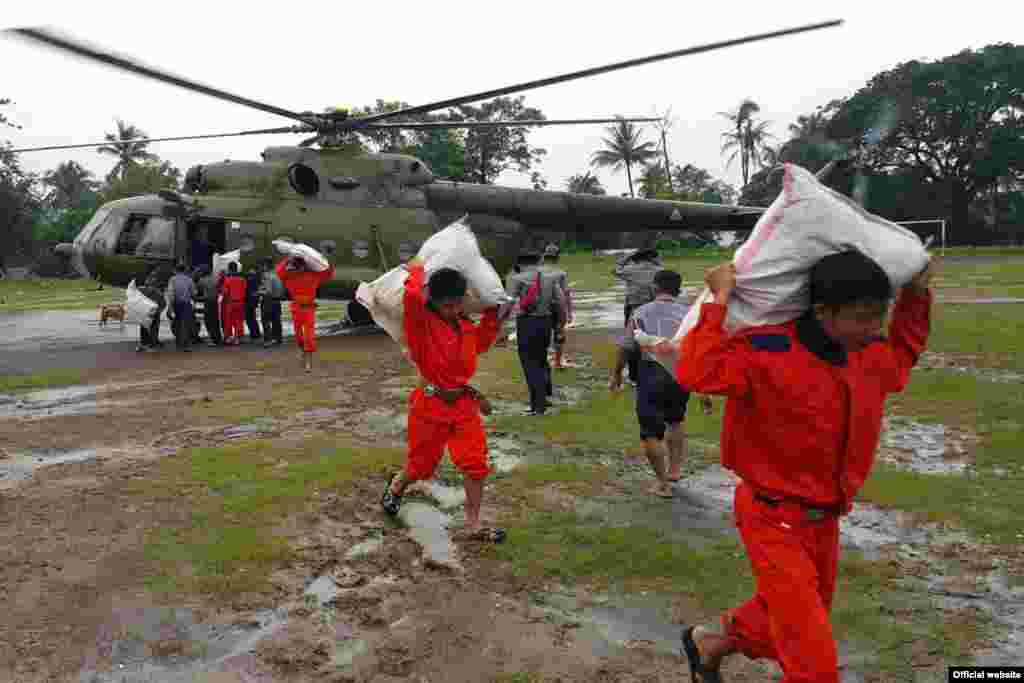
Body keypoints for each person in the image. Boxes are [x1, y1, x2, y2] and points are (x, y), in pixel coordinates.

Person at [668, 251, 935, 683]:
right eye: (863, 317)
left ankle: (710, 642)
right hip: (771, 518)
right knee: (813, 662)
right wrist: (718, 300)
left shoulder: (869, 356)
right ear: (823, 311)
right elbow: (698, 372)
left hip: (825, 521)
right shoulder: (767, 351)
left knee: (785, 621)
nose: (874, 328)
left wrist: (917, 296)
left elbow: (904, 351)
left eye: (879, 317)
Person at [380, 258, 504, 543]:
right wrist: (417, 268)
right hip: (429, 405)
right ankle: (397, 485)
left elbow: (483, 342)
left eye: (457, 303)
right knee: (421, 467)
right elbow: (412, 296)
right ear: (432, 301)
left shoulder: (466, 327)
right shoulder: (420, 326)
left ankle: (473, 524)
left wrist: (494, 313)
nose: (453, 309)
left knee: (475, 464)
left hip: (463, 406)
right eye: (445, 305)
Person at [610, 269, 705, 498]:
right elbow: (698, 348)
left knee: (650, 431)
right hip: (680, 372)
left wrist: (617, 373)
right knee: (676, 419)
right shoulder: (689, 314)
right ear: (678, 289)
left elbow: (626, 346)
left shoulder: (640, 312)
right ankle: (674, 470)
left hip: (651, 371)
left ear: (655, 287)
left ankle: (662, 484)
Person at [507, 251, 567, 416]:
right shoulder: (549, 278)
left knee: (529, 364)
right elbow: (561, 302)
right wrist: (560, 326)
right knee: (540, 361)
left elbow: (508, 303)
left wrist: (499, 325)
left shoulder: (518, 279)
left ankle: (538, 406)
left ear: (519, 264)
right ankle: (542, 399)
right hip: (545, 322)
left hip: (527, 323)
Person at [276, 254, 336, 372]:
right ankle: (303, 354)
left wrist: (326, 259)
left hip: (309, 309)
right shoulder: (290, 276)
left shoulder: (312, 275)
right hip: (296, 308)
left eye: (298, 266)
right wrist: (288, 259)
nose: (297, 268)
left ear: (304, 266)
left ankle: (308, 361)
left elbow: (329, 273)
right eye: (296, 266)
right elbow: (279, 271)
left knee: (309, 337)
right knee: (299, 337)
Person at [614, 248, 663, 384]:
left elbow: (615, 269)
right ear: (652, 258)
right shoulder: (659, 270)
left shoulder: (630, 270)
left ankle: (634, 376)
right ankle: (654, 372)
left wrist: (627, 258)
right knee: (653, 339)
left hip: (634, 308)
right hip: (654, 308)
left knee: (632, 342)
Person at [542, 253, 572, 370]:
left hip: (542, 308)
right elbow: (566, 293)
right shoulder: (561, 273)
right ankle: (557, 362)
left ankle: (543, 360)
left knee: (543, 335)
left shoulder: (538, 272)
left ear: (544, 257)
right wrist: (569, 312)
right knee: (559, 334)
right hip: (558, 308)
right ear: (557, 258)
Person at [136, 263, 174, 352]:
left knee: (145, 325)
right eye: (157, 269)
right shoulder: (152, 278)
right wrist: (159, 294)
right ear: (153, 269)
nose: (158, 270)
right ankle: (151, 344)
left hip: (146, 306)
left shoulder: (147, 278)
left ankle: (145, 343)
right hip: (152, 306)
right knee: (153, 326)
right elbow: (152, 291)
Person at [164, 263, 197, 352]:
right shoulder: (189, 280)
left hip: (176, 303)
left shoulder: (172, 279)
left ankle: (179, 341)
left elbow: (171, 293)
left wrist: (170, 306)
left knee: (177, 322)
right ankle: (185, 343)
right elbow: (194, 293)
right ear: (185, 270)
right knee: (185, 323)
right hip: (186, 303)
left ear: (176, 270)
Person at [258, 257, 285, 347]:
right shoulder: (278, 274)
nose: (262, 267)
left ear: (266, 265)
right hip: (277, 301)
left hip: (268, 301)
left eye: (263, 265)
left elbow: (268, 291)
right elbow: (282, 289)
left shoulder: (266, 275)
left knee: (265, 321)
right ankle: (278, 338)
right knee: (276, 320)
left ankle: (268, 339)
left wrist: (258, 292)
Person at [195, 265, 223, 346]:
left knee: (208, 321)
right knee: (216, 320)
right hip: (215, 301)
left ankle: (212, 339)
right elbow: (220, 288)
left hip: (207, 301)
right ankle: (218, 339)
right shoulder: (216, 279)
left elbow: (197, 289)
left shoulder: (202, 280)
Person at [220, 262, 247, 345]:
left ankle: (228, 338)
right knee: (239, 321)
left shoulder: (227, 280)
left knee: (229, 321)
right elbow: (245, 291)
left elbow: (224, 293)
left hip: (230, 302)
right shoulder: (243, 280)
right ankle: (238, 338)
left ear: (229, 269)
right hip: (241, 302)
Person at [245, 266, 263, 341]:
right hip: (254, 300)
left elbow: (248, 290)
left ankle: (254, 334)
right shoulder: (257, 278)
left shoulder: (251, 279)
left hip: (250, 300)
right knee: (252, 317)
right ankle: (255, 333)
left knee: (249, 318)